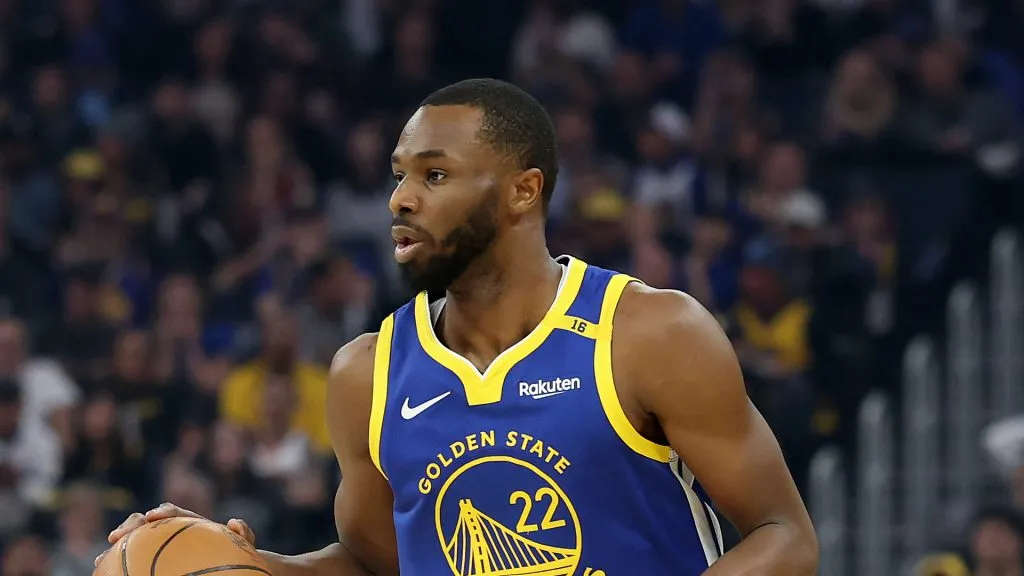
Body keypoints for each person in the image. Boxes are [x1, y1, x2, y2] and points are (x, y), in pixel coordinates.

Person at [99, 79, 818, 575]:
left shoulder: (648, 332)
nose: (402, 199)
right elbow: (377, 564)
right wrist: (234, 560)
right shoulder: (367, 373)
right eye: (398, 175)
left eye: (435, 176)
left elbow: (784, 537)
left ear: (521, 191)